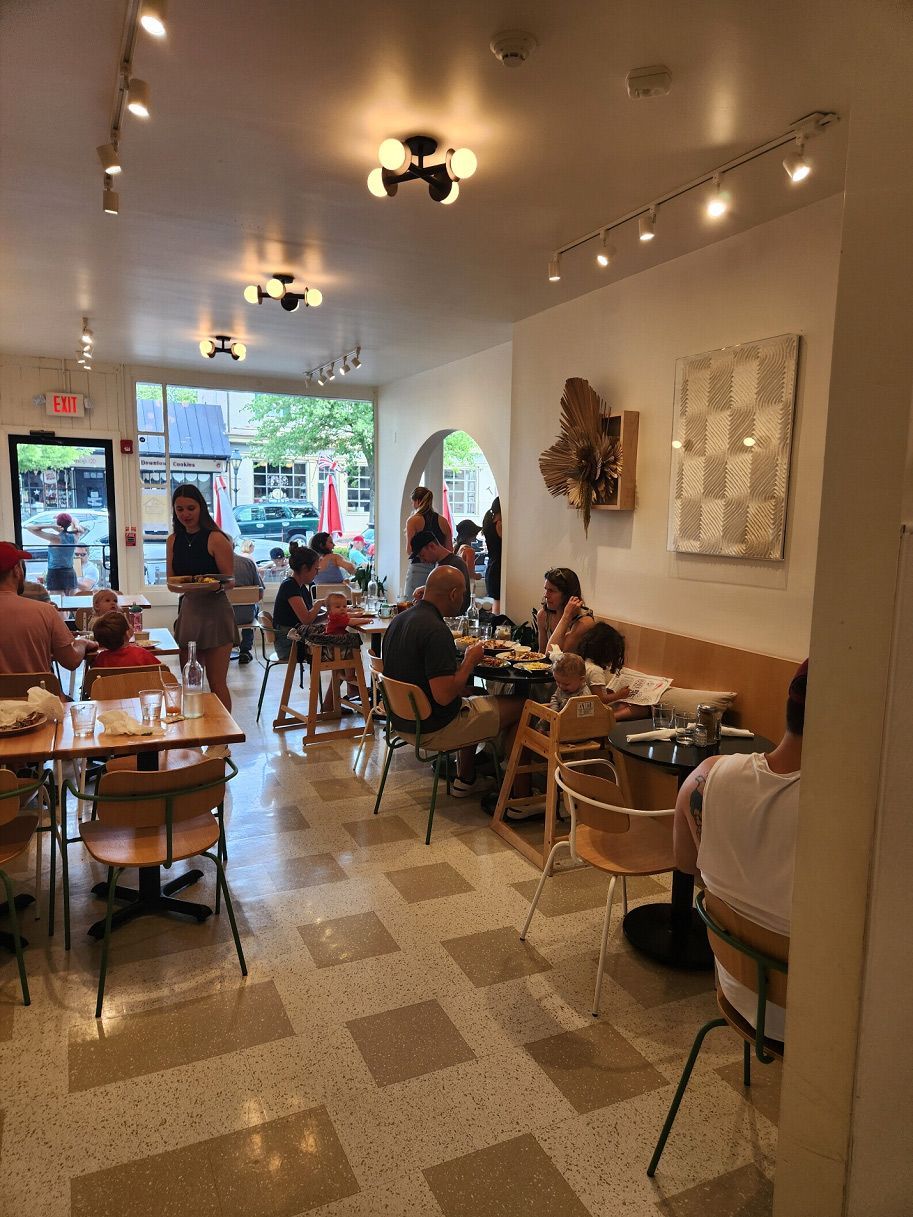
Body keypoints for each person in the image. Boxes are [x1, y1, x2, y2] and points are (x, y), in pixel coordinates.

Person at [673, 660, 807, 1039]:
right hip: (814, 1026)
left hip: (735, 987)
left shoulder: (704, 777)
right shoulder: (850, 822)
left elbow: (687, 866)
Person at [382, 565, 523, 796]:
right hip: (435, 729)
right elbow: (445, 696)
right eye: (464, 594)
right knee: (523, 706)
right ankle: (518, 795)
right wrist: (469, 661)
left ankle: (465, 779)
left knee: (472, 692)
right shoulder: (436, 631)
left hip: (402, 721)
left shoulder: (401, 619)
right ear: (454, 594)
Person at [166, 484, 236, 711]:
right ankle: (195, 732)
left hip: (216, 611)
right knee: (191, 682)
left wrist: (210, 585)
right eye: (179, 509)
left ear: (201, 509)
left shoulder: (216, 538)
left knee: (217, 683)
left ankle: (224, 740)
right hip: (189, 611)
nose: (185, 514)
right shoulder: (173, 540)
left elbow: (230, 581)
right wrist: (188, 586)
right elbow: (172, 583)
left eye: (190, 508)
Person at [0, 542, 97, 674]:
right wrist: (82, 643)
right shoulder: (45, 611)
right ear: (17, 570)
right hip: (38, 693)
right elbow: (71, 661)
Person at [271, 545, 323, 662]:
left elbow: (308, 619)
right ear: (305, 568)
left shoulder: (300, 587)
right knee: (340, 646)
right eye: (316, 569)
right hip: (289, 644)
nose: (317, 573)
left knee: (339, 644)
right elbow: (306, 620)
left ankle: (336, 679)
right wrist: (319, 604)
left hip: (295, 638)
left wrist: (328, 615)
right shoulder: (290, 586)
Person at [575, 622, 634, 717]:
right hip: (592, 711)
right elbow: (600, 699)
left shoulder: (582, 662)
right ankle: (610, 719)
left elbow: (593, 691)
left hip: (584, 708)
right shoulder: (595, 670)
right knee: (637, 709)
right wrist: (619, 695)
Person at [404, 486, 453, 598]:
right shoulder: (443, 521)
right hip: (438, 569)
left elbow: (410, 550)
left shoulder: (413, 520)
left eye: (413, 502)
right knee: (435, 602)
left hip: (418, 568)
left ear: (418, 501)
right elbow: (450, 550)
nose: (413, 505)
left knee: (413, 603)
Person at [536, 567, 596, 654]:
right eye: (546, 589)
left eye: (552, 591)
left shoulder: (584, 622)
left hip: (570, 666)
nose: (546, 595)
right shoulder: (543, 615)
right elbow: (541, 654)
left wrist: (566, 616)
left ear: (567, 595)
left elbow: (554, 655)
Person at [409, 531, 471, 613]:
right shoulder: (439, 564)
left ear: (432, 546)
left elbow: (456, 596)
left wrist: (427, 590)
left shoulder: (455, 564)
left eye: (422, 555)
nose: (422, 560)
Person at [24, 511, 84, 594]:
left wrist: (51, 526)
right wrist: (76, 525)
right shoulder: (74, 537)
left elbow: (30, 528)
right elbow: (75, 520)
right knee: (71, 601)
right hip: (70, 571)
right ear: (70, 524)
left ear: (57, 524)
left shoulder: (55, 538)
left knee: (57, 602)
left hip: (55, 572)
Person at [88, 611, 162, 669]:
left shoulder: (101, 659)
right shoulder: (141, 654)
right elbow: (164, 672)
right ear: (127, 633)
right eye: (129, 623)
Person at [232, 540, 264, 664]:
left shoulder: (213, 565)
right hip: (246, 616)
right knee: (253, 607)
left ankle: (223, 648)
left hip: (221, 617)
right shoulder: (247, 563)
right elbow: (260, 593)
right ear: (234, 546)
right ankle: (245, 650)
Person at [481, 497, 502, 614]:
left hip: (492, 566)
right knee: (498, 604)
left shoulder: (490, 522)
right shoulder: (500, 524)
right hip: (498, 568)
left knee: (496, 602)